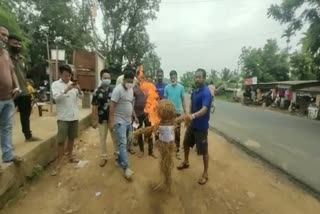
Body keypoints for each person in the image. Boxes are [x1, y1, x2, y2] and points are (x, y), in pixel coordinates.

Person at [177, 68, 211, 185]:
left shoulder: (206, 92)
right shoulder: (195, 91)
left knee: (203, 151)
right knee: (186, 143)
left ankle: (205, 173)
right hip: (192, 125)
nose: (197, 79)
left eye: (199, 77)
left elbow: (205, 109)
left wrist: (193, 116)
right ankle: (186, 162)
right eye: (195, 77)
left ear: (204, 78)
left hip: (201, 127)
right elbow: (192, 103)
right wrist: (188, 118)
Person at [51, 64, 83, 176]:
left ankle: (70, 157)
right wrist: (66, 90)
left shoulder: (72, 84)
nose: (68, 78)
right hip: (63, 117)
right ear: (60, 74)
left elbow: (81, 97)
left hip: (74, 116)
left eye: (69, 75)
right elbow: (56, 98)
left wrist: (79, 90)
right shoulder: (55, 85)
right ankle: (59, 162)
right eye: (65, 75)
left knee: (72, 138)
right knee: (61, 141)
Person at [8, 34, 40, 142]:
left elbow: (24, 74)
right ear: (8, 43)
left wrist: (28, 83)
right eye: (15, 43)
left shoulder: (22, 59)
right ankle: (7, 142)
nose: (17, 46)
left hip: (24, 92)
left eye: (19, 44)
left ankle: (28, 136)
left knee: (25, 116)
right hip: (10, 93)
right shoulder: (5, 57)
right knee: (7, 118)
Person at [0, 26, 23, 173]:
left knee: (6, 127)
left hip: (8, 97)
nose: (5, 38)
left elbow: (12, 72)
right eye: (2, 35)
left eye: (7, 36)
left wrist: (18, 86)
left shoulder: (6, 54)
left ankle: (8, 155)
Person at [109, 68, 138, 179]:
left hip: (128, 121)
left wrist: (134, 116)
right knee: (122, 142)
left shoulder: (130, 90)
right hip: (119, 121)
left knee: (128, 141)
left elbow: (130, 103)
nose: (130, 83)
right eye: (128, 81)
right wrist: (112, 122)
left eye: (132, 81)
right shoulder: (118, 90)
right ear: (124, 79)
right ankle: (126, 167)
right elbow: (112, 106)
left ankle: (119, 156)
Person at [91, 69, 117, 167]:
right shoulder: (96, 92)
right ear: (101, 78)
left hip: (113, 119)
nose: (107, 79)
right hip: (102, 120)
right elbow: (94, 106)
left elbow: (117, 104)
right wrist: (94, 120)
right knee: (102, 139)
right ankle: (103, 157)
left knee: (115, 138)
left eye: (108, 78)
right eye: (105, 78)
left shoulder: (114, 90)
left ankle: (117, 156)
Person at [164, 70, 187, 159]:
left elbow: (183, 99)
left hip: (178, 113)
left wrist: (185, 111)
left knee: (177, 132)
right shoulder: (167, 87)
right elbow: (165, 101)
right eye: (171, 77)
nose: (173, 78)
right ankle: (168, 149)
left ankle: (177, 150)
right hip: (169, 113)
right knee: (168, 131)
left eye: (174, 77)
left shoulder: (181, 87)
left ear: (177, 77)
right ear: (170, 78)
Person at [133, 81, 156, 158]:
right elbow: (131, 103)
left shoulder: (149, 89)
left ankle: (150, 151)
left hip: (148, 115)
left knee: (149, 132)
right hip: (138, 115)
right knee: (139, 132)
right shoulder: (134, 90)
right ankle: (141, 150)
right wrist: (134, 116)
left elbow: (153, 101)